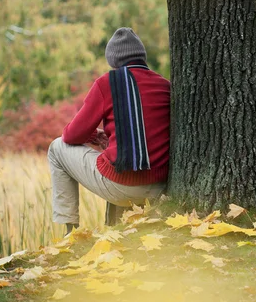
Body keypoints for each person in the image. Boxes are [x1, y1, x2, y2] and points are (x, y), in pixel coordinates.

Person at [48, 28, 170, 234]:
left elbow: (71, 135)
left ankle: (70, 234)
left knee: (57, 148)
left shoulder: (107, 83)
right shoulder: (165, 85)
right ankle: (118, 232)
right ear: (142, 56)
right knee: (112, 156)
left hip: (121, 187)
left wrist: (94, 136)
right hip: (161, 186)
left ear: (112, 60)